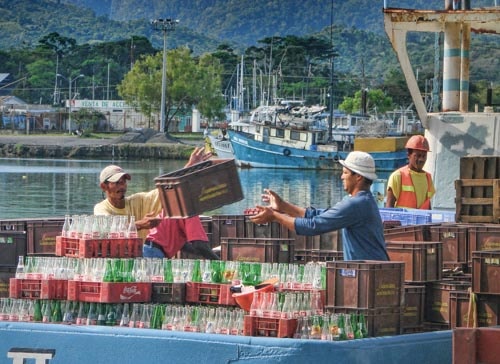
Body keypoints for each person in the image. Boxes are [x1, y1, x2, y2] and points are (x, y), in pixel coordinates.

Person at [249, 151, 389, 261]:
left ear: (358, 177)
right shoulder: (361, 200)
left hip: (370, 271)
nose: (341, 177)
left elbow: (313, 226)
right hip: (370, 269)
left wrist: (274, 216)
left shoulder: (356, 204)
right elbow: (319, 215)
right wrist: (283, 206)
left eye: (345, 173)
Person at [94, 146, 218, 259]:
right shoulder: (101, 208)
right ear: (104, 186)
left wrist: (189, 167)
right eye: (116, 183)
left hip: (142, 255)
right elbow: (108, 230)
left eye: (123, 182)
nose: (122, 187)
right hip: (119, 258)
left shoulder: (137, 200)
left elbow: (169, 189)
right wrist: (140, 225)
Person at [385, 135, 435, 209]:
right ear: (409, 155)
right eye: (417, 155)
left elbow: (428, 206)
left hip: (422, 220)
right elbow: (389, 207)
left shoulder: (428, 178)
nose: (421, 159)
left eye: (424, 156)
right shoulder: (398, 176)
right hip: (402, 220)